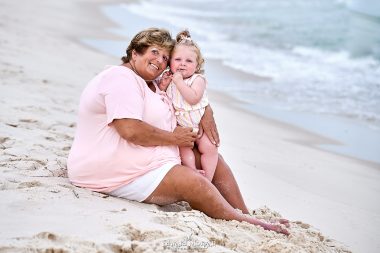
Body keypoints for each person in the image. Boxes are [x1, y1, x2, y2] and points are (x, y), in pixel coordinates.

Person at [67, 28, 289, 235]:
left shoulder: (150, 80)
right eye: (154, 52)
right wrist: (174, 138)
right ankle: (247, 223)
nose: (160, 60)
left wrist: (207, 110)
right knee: (193, 182)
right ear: (134, 53)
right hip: (109, 167)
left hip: (143, 156)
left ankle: (244, 213)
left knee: (213, 159)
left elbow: (186, 95)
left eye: (165, 57)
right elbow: (130, 130)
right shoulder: (121, 79)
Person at [158, 30, 217, 181]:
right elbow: (162, 97)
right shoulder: (171, 79)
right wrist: (163, 85)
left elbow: (193, 98)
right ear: (170, 63)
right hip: (182, 127)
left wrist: (178, 82)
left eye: (189, 61)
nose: (183, 64)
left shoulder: (198, 79)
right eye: (178, 60)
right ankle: (193, 172)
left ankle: (208, 178)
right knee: (183, 150)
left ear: (197, 65)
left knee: (209, 149)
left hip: (199, 125)